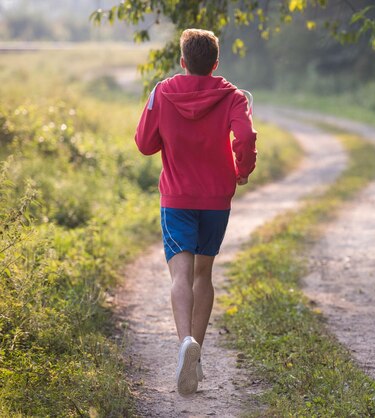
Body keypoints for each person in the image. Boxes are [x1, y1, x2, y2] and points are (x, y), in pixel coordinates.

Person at [134, 28, 257, 396]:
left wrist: (166, 138)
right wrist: (243, 170)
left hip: (176, 198)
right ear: (215, 63)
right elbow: (246, 137)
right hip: (216, 198)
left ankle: (185, 341)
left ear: (183, 61)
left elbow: (143, 144)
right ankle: (196, 354)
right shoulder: (233, 96)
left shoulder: (162, 92)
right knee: (204, 274)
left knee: (180, 275)